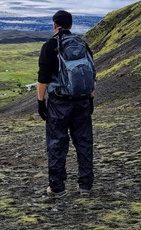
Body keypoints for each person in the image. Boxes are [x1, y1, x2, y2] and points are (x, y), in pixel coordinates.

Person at [37, 10, 95, 197]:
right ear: (71, 25)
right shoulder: (82, 44)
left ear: (55, 25)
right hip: (82, 101)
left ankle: (57, 187)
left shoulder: (50, 46)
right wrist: (90, 98)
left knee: (56, 143)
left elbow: (43, 79)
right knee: (84, 142)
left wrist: (40, 102)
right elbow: (90, 74)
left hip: (59, 102)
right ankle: (85, 186)